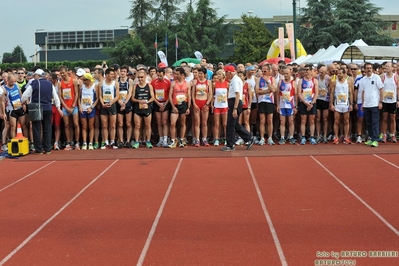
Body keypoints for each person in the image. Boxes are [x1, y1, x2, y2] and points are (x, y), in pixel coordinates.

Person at [22, 69, 63, 154]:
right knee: (47, 128)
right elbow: (55, 97)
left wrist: (23, 102)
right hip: (48, 108)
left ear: (37, 75)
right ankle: (47, 148)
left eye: (35, 75)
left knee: (36, 128)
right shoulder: (49, 84)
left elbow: (25, 95)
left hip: (37, 108)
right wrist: (58, 107)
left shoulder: (34, 83)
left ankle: (39, 149)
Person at [221, 65, 254, 151]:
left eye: (226, 73)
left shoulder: (235, 81)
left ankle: (230, 145)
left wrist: (235, 108)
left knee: (231, 125)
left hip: (235, 102)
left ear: (229, 73)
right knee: (235, 124)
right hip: (235, 102)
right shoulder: (235, 80)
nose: (225, 75)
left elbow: (237, 94)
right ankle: (249, 137)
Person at [359, 62, 384, 147]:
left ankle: (375, 139)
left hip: (374, 104)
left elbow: (381, 89)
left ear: (372, 69)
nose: (369, 69)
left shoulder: (376, 77)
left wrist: (380, 102)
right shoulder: (363, 80)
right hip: (366, 105)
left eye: (370, 68)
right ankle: (371, 138)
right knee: (368, 122)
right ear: (365, 69)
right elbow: (362, 92)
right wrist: (362, 104)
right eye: (367, 68)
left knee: (375, 122)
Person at [130, 68, 155, 149]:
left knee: (148, 125)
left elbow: (153, 97)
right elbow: (132, 98)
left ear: (145, 77)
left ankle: (148, 141)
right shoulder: (135, 86)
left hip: (147, 108)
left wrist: (146, 102)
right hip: (137, 109)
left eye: (142, 77)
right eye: (139, 77)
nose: (140, 79)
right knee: (137, 126)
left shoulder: (149, 86)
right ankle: (137, 142)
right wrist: (139, 101)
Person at [330, 68, 354, 144]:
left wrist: (351, 104)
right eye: (338, 73)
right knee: (336, 121)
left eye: (340, 73)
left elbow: (350, 93)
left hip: (346, 104)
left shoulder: (348, 82)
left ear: (344, 74)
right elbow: (331, 93)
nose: (339, 75)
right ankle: (336, 137)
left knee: (346, 121)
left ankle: (346, 137)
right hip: (337, 104)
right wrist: (331, 104)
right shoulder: (334, 82)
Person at [168, 67, 191, 148]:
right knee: (172, 123)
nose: (176, 75)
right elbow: (170, 96)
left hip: (184, 105)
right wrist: (173, 106)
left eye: (177, 74)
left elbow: (189, 96)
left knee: (183, 123)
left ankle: (181, 139)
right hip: (175, 105)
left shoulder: (187, 83)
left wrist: (188, 107)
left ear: (182, 74)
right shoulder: (173, 83)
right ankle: (173, 140)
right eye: (175, 74)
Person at [58, 66, 80, 150]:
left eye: (63, 73)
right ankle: (69, 142)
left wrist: (73, 105)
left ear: (67, 72)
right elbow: (60, 97)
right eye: (61, 73)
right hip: (65, 107)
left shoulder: (73, 81)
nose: (62, 75)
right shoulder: (60, 83)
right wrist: (66, 107)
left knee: (76, 124)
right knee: (67, 125)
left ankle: (77, 142)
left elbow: (77, 94)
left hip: (74, 106)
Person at [297, 63, 319, 145]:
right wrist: (306, 103)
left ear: (311, 71)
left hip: (312, 103)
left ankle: (312, 137)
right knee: (303, 120)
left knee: (312, 121)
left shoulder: (315, 81)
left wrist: (312, 103)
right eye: (304, 70)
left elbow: (316, 93)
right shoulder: (301, 81)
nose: (305, 72)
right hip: (303, 102)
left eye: (307, 70)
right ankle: (303, 137)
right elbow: (299, 93)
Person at [98, 68, 120, 149]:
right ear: (106, 75)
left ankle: (113, 141)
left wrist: (111, 103)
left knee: (113, 125)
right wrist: (102, 104)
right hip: (104, 105)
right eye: (111, 74)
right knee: (104, 125)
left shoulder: (115, 83)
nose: (113, 76)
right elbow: (100, 95)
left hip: (112, 105)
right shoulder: (101, 84)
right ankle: (106, 141)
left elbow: (117, 96)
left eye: (113, 74)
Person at [255, 64, 277, 145]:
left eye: (265, 71)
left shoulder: (272, 79)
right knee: (262, 120)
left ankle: (270, 137)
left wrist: (267, 82)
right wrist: (267, 91)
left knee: (270, 120)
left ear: (269, 71)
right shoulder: (258, 79)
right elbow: (257, 91)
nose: (263, 73)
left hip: (270, 101)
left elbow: (273, 89)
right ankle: (262, 138)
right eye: (262, 71)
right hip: (261, 102)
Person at [192, 67, 213, 147]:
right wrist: (194, 104)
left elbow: (210, 94)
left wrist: (207, 104)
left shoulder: (208, 82)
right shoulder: (195, 82)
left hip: (204, 102)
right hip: (197, 102)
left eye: (201, 73)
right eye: (198, 73)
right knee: (197, 122)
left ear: (205, 74)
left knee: (204, 122)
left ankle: (204, 138)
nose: (199, 75)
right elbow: (193, 94)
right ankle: (197, 139)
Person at [276, 67, 297, 145]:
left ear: (290, 73)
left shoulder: (293, 83)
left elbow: (296, 95)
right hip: (282, 105)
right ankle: (282, 137)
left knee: (291, 121)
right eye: (284, 73)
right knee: (282, 122)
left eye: (287, 73)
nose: (286, 75)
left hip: (291, 105)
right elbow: (278, 94)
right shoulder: (280, 82)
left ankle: (291, 137)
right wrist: (278, 105)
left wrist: (296, 106)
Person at [151, 67, 171, 148]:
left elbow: (170, 95)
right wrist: (158, 104)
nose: (159, 77)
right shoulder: (153, 82)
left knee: (164, 121)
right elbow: (152, 95)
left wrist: (165, 104)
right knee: (159, 122)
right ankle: (161, 139)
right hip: (157, 103)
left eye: (161, 76)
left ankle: (166, 139)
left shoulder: (168, 82)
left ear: (164, 75)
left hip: (165, 103)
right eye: (158, 75)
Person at [78, 73, 98, 150]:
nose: (83, 81)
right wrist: (80, 106)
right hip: (83, 108)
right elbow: (79, 98)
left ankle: (90, 142)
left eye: (84, 80)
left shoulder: (94, 86)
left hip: (91, 108)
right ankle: (84, 142)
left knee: (91, 126)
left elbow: (97, 99)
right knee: (84, 126)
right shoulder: (81, 87)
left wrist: (92, 107)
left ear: (89, 80)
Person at [380, 62, 398, 143]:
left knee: (392, 118)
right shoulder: (382, 76)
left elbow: (398, 89)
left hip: (393, 101)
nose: (387, 68)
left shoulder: (396, 77)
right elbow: (379, 88)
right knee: (384, 118)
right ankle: (384, 134)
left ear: (392, 68)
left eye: (388, 66)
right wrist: (379, 100)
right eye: (386, 66)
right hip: (384, 101)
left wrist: (398, 100)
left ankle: (392, 134)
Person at [116, 65, 134, 148]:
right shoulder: (116, 81)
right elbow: (115, 94)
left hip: (127, 103)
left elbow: (130, 93)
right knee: (120, 124)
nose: (122, 73)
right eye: (121, 71)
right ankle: (121, 141)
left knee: (128, 123)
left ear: (127, 73)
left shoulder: (130, 81)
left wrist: (125, 103)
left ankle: (128, 141)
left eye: (124, 71)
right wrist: (120, 102)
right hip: (119, 103)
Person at [212, 69, 229, 146]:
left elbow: (229, 95)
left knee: (225, 124)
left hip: (224, 105)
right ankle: (216, 139)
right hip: (217, 105)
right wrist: (212, 104)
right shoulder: (214, 84)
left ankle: (226, 138)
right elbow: (212, 95)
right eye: (217, 74)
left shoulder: (227, 84)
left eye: (220, 74)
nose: (218, 76)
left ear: (223, 75)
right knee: (216, 124)